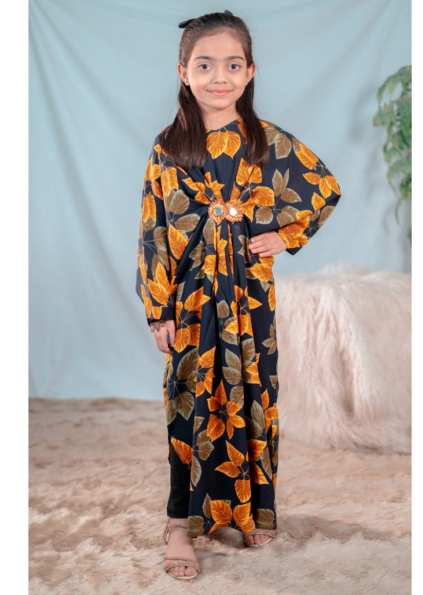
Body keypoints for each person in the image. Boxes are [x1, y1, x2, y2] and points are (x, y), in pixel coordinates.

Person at [135, 10, 341, 580]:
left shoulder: (266, 141)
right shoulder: (168, 149)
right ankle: (181, 523)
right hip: (192, 300)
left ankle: (252, 507)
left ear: (250, 72)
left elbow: (324, 189)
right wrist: (157, 312)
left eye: (232, 65)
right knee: (190, 401)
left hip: (250, 296)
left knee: (254, 393)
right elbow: (154, 233)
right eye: (204, 65)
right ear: (183, 71)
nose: (219, 77)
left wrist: (286, 236)